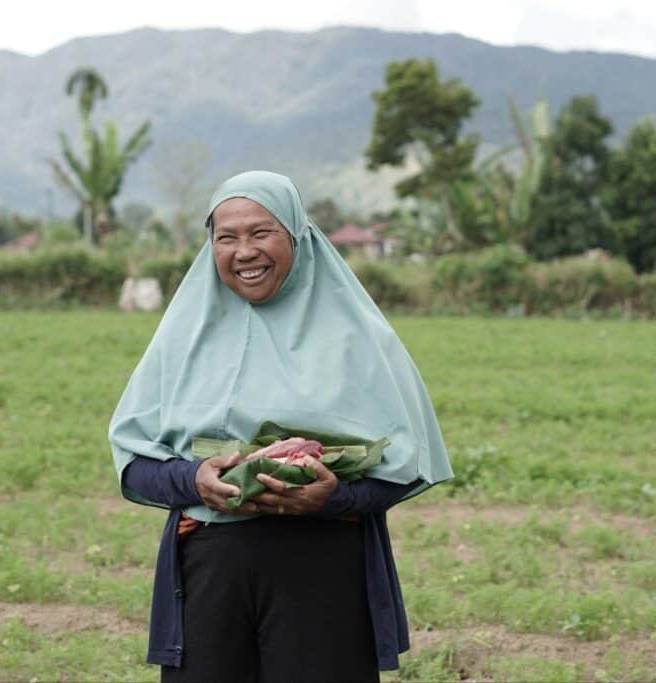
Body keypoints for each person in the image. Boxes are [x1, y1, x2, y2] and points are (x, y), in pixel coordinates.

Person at [109, 171, 453, 682]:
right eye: (226, 237)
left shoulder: (357, 337)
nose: (244, 251)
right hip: (209, 571)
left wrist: (330, 498)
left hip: (324, 570)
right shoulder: (185, 335)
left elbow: (404, 465)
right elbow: (135, 463)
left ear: (297, 235)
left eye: (261, 233)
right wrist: (193, 479)